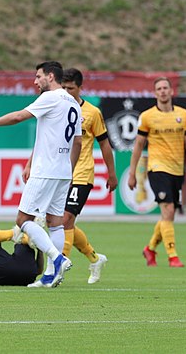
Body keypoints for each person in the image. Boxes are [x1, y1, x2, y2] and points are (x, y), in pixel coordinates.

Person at [0, 61, 81, 288]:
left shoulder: (50, 97)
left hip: (46, 170)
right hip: (62, 170)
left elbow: (19, 117)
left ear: (50, 76)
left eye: (38, 76)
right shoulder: (73, 103)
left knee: (22, 220)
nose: (35, 81)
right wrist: (68, 168)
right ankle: (51, 275)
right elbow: (77, 141)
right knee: (55, 222)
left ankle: (57, 258)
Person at [128, 77, 186, 267]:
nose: (163, 91)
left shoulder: (182, 115)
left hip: (177, 169)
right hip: (157, 167)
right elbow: (139, 145)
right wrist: (132, 172)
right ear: (155, 93)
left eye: (165, 88)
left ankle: (150, 248)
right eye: (159, 88)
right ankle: (172, 256)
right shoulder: (147, 116)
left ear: (171, 91)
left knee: (169, 215)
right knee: (167, 210)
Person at [57, 67, 117, 284]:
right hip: (60, 173)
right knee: (64, 222)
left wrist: (112, 173)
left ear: (80, 88)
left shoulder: (92, 112)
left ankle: (59, 266)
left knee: (66, 219)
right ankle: (94, 258)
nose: (66, 91)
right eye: (63, 87)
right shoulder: (57, 108)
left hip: (82, 174)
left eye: (70, 88)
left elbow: (104, 144)